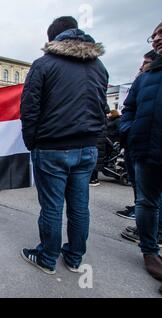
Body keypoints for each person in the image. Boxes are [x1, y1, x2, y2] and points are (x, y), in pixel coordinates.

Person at [20, 16, 109, 275]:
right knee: (80, 207)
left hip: (52, 147)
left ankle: (47, 258)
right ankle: (74, 257)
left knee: (52, 207)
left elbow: (29, 109)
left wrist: (32, 142)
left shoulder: (44, 64)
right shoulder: (99, 67)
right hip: (87, 147)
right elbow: (100, 107)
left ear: (52, 38)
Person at [120, 23, 162, 288]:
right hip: (146, 150)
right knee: (147, 202)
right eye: (155, 34)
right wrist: (130, 132)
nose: (157, 38)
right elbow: (128, 109)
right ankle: (150, 252)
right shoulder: (145, 77)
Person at [117, 51, 158, 221]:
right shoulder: (142, 80)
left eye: (146, 62)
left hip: (151, 144)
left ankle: (156, 231)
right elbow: (129, 108)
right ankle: (148, 236)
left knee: (150, 195)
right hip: (138, 142)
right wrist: (128, 130)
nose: (141, 67)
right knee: (143, 193)